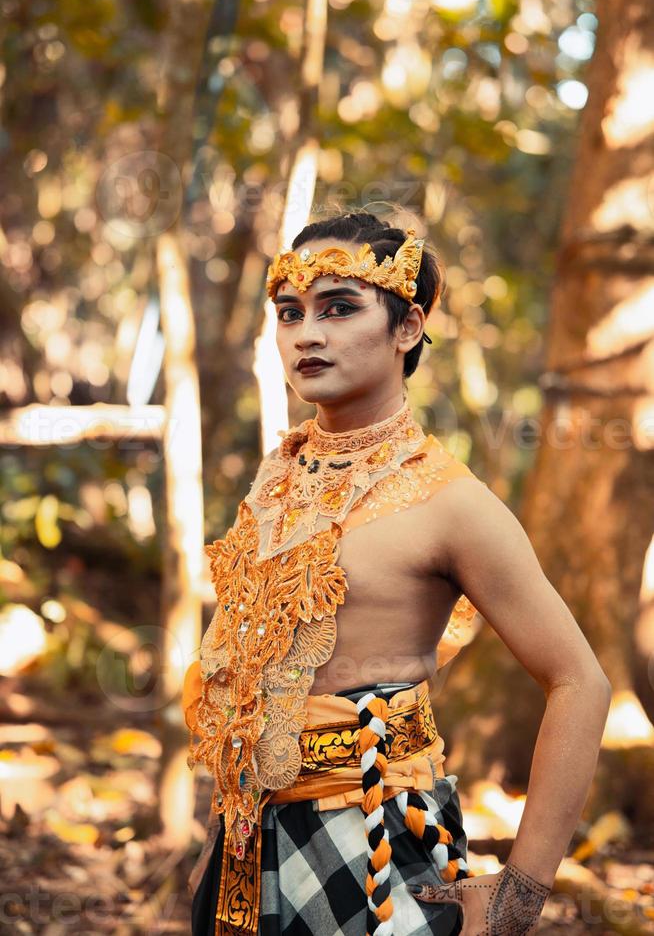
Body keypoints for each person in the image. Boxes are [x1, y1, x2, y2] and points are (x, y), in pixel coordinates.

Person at [183, 211, 611, 936]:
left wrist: (518, 896)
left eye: (340, 308)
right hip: (242, 851)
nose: (306, 334)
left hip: (374, 845)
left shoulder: (453, 504)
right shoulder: (278, 477)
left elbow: (581, 682)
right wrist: (214, 849)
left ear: (408, 328)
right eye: (290, 313)